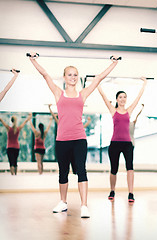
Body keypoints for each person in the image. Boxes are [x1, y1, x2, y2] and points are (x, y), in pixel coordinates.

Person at [28, 52, 119, 218]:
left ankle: (84, 205)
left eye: (75, 75)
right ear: (64, 77)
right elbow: (45, 74)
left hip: (79, 139)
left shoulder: (82, 94)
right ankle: (63, 202)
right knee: (63, 172)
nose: (73, 77)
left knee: (81, 171)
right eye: (70, 75)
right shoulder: (58, 93)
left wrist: (113, 64)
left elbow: (98, 78)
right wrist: (33, 60)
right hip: (62, 140)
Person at [97, 78, 147, 202]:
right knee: (114, 169)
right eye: (120, 97)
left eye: (124, 97)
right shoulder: (113, 111)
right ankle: (112, 190)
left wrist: (144, 84)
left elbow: (138, 98)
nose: (123, 99)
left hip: (127, 144)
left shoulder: (129, 111)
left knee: (130, 168)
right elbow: (103, 96)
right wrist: (97, 83)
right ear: (117, 99)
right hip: (114, 143)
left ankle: (131, 193)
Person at [48, 103, 91, 174]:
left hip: (74, 145)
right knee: (66, 166)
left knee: (75, 165)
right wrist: (50, 109)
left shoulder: (74, 126)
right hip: (65, 144)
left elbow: (82, 126)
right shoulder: (60, 123)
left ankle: (75, 171)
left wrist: (88, 121)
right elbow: (54, 116)